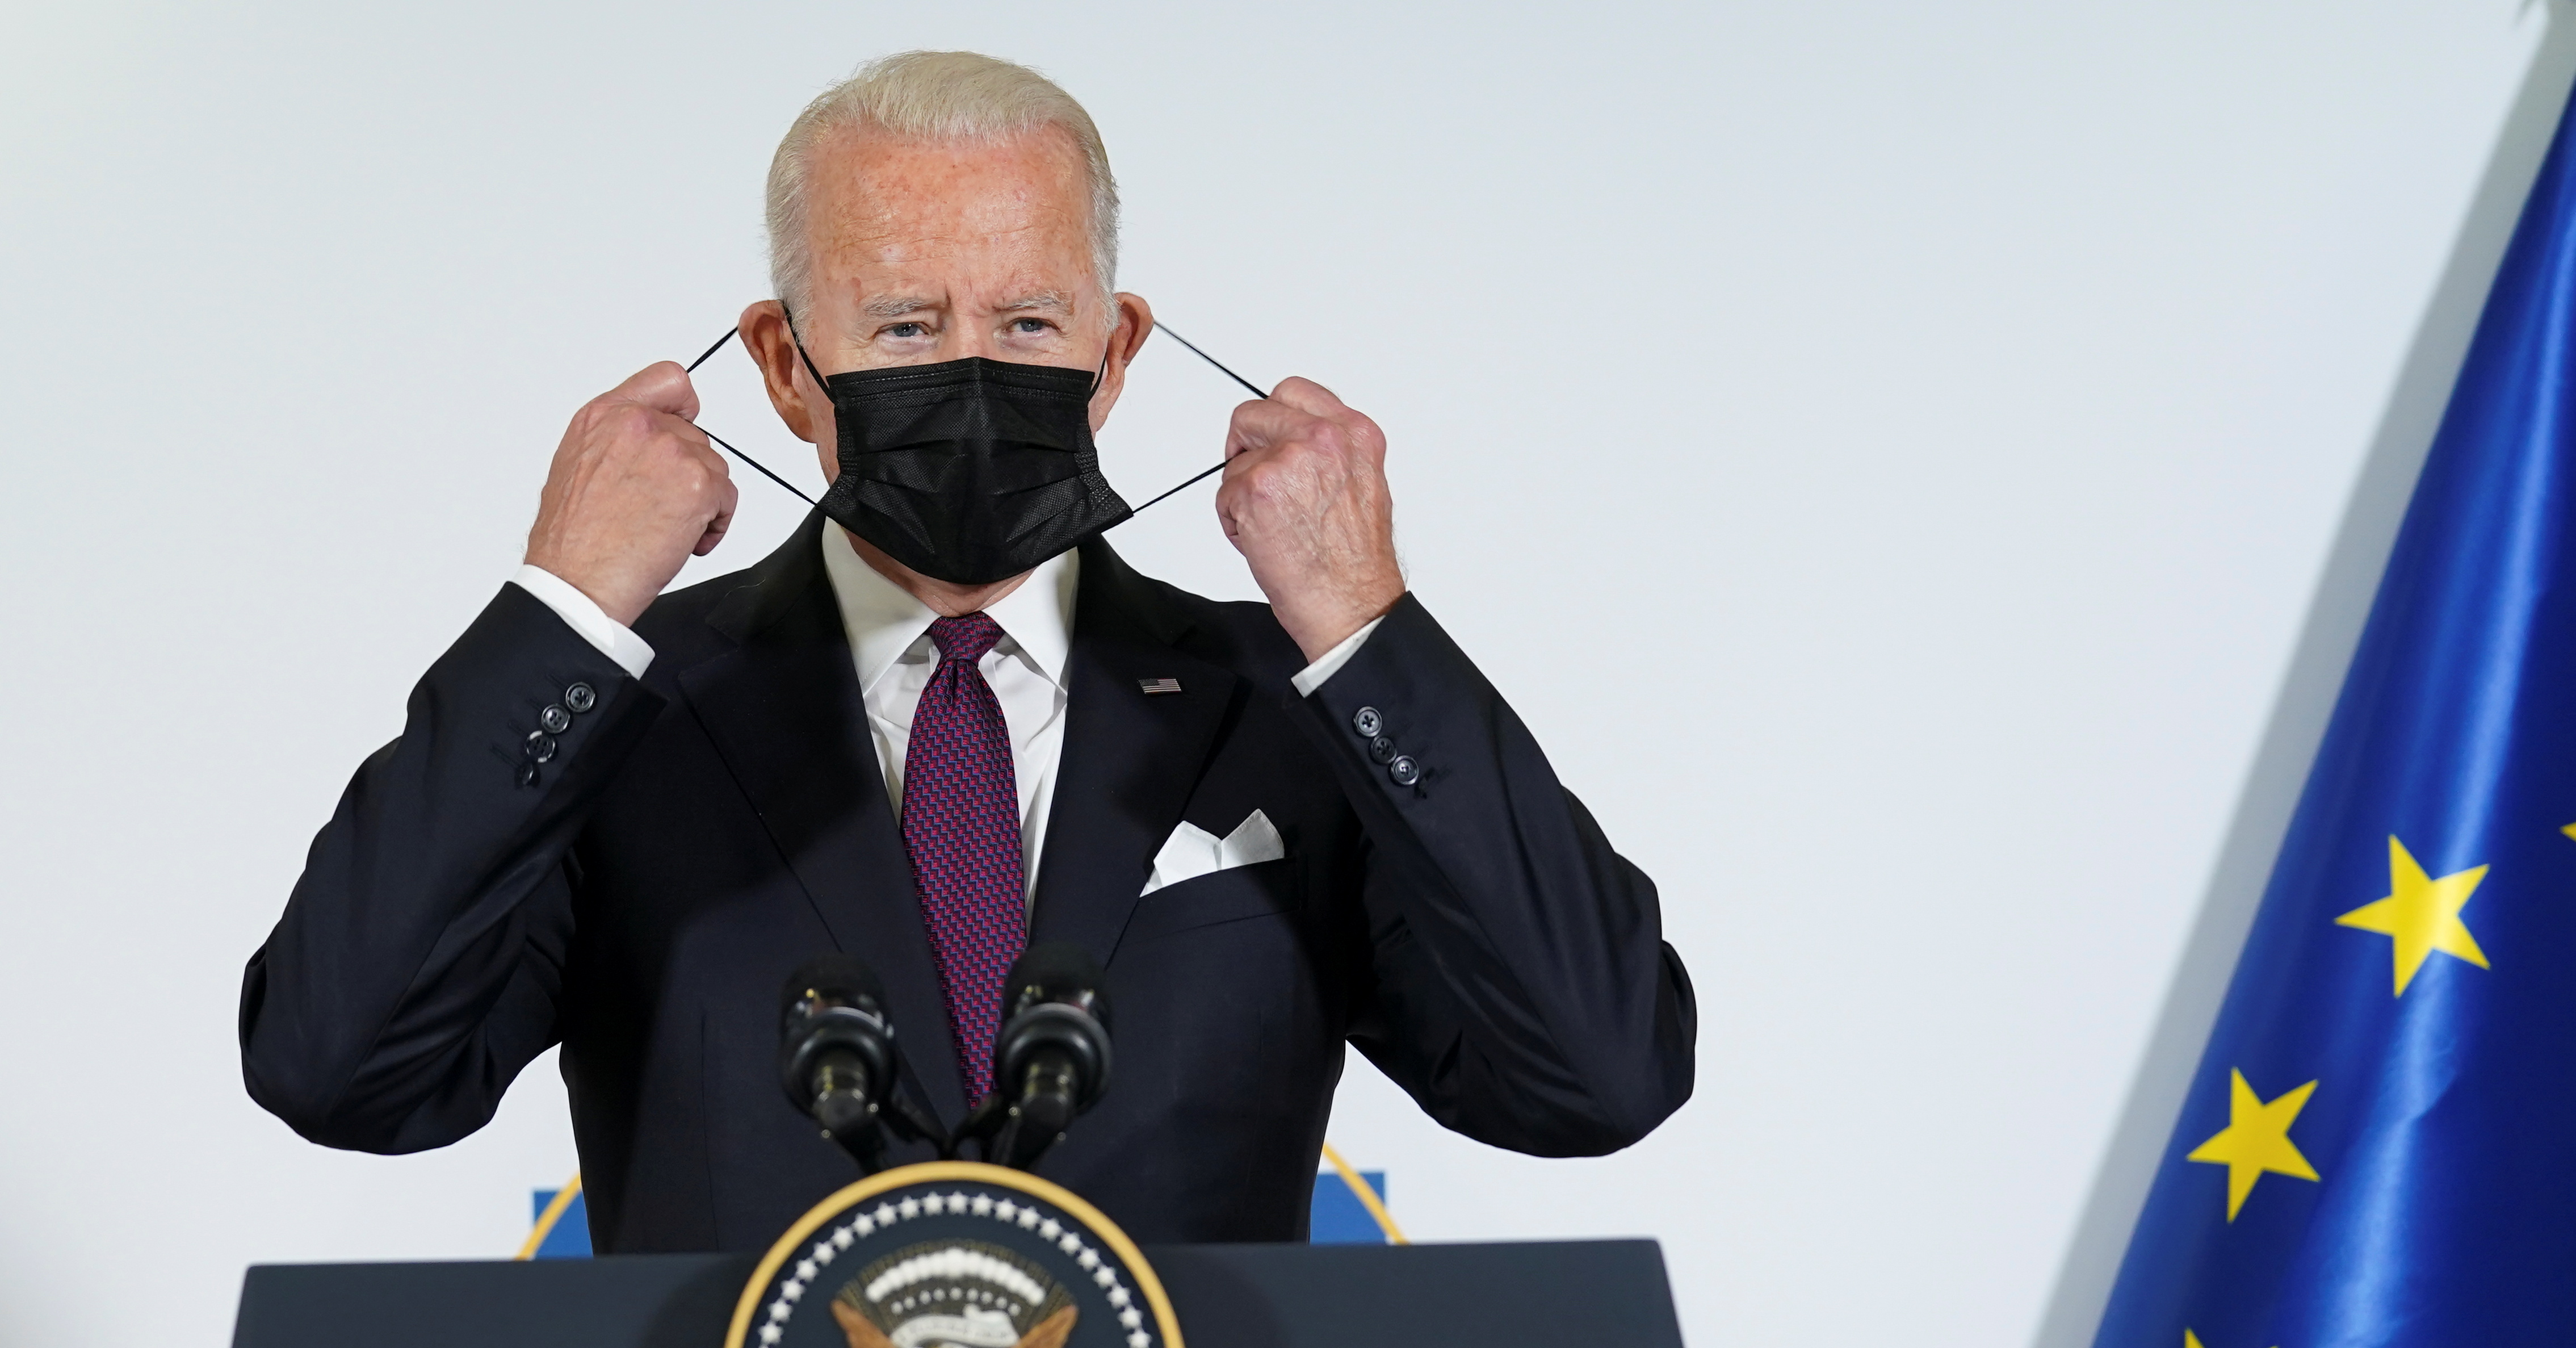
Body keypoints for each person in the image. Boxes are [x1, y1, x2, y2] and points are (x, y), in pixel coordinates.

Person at [240, 49, 1693, 1258]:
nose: (971, 368)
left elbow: (1598, 1070)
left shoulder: (1287, 706)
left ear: (1115, 355)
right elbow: (344, 1066)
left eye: (1026, 318)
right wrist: (563, 605)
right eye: (902, 321)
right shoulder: (624, 711)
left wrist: (1370, 629)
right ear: (780, 363)